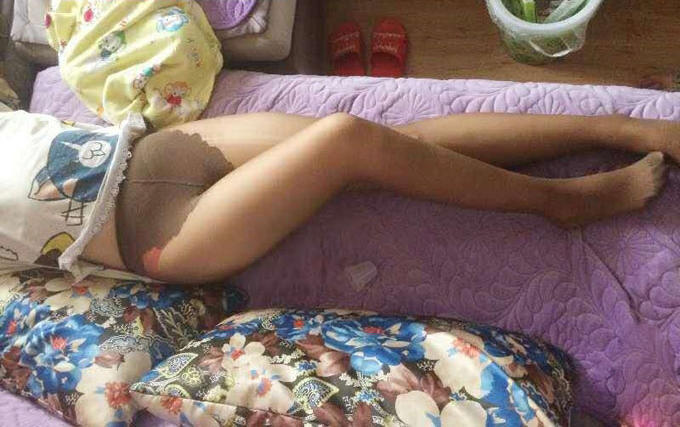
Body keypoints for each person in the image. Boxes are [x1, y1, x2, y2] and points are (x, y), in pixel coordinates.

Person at [74, 112, 678, 283]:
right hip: (156, 235)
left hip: (149, 151)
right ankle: (558, 199)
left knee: (398, 145)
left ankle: (623, 130)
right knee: (349, 140)